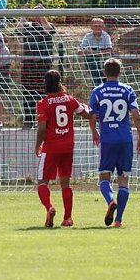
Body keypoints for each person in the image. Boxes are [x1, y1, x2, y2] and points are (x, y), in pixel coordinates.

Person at [89, 58, 140, 228]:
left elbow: (92, 116)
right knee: (124, 180)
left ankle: (110, 201)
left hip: (108, 139)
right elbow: (136, 114)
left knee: (104, 176)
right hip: (125, 139)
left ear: (104, 72)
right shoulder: (127, 90)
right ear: (120, 72)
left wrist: (94, 131)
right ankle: (119, 219)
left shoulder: (98, 91)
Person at [34, 69, 90, 228]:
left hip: (51, 148)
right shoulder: (70, 100)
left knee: (42, 182)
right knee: (65, 182)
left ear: (45, 84)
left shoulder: (43, 103)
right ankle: (68, 218)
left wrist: (38, 145)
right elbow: (85, 114)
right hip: (68, 147)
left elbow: (42, 128)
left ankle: (49, 207)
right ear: (60, 82)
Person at [15, 7, 56, 129]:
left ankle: (44, 121)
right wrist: (23, 15)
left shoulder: (49, 25)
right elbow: (18, 30)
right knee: (28, 93)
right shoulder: (27, 26)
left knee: (44, 94)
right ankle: (29, 120)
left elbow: (48, 30)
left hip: (43, 66)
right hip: (29, 66)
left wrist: (42, 15)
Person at [78, 18, 113, 87]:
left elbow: (109, 50)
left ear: (103, 27)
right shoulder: (87, 36)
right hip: (92, 62)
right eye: (95, 26)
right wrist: (85, 51)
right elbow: (80, 51)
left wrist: (93, 52)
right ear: (91, 27)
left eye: (100, 26)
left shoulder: (106, 36)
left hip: (103, 61)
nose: (98, 28)